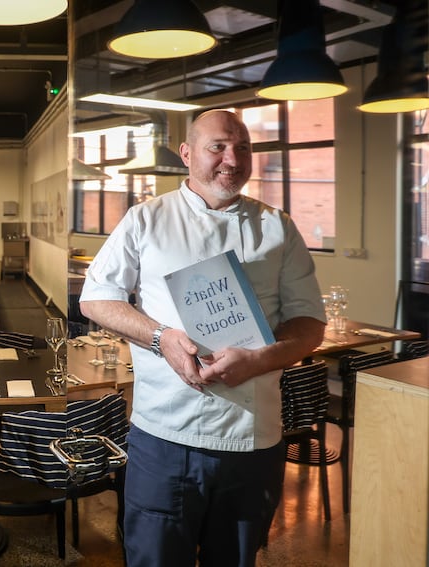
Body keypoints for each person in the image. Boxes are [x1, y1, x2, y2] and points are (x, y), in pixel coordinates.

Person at [79, 109, 326, 567]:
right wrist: (161, 337)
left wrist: (261, 359)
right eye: (218, 147)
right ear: (187, 154)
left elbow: (309, 324)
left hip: (253, 441)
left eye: (243, 148)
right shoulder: (146, 219)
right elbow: (96, 299)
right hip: (165, 435)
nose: (232, 159)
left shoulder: (277, 227)